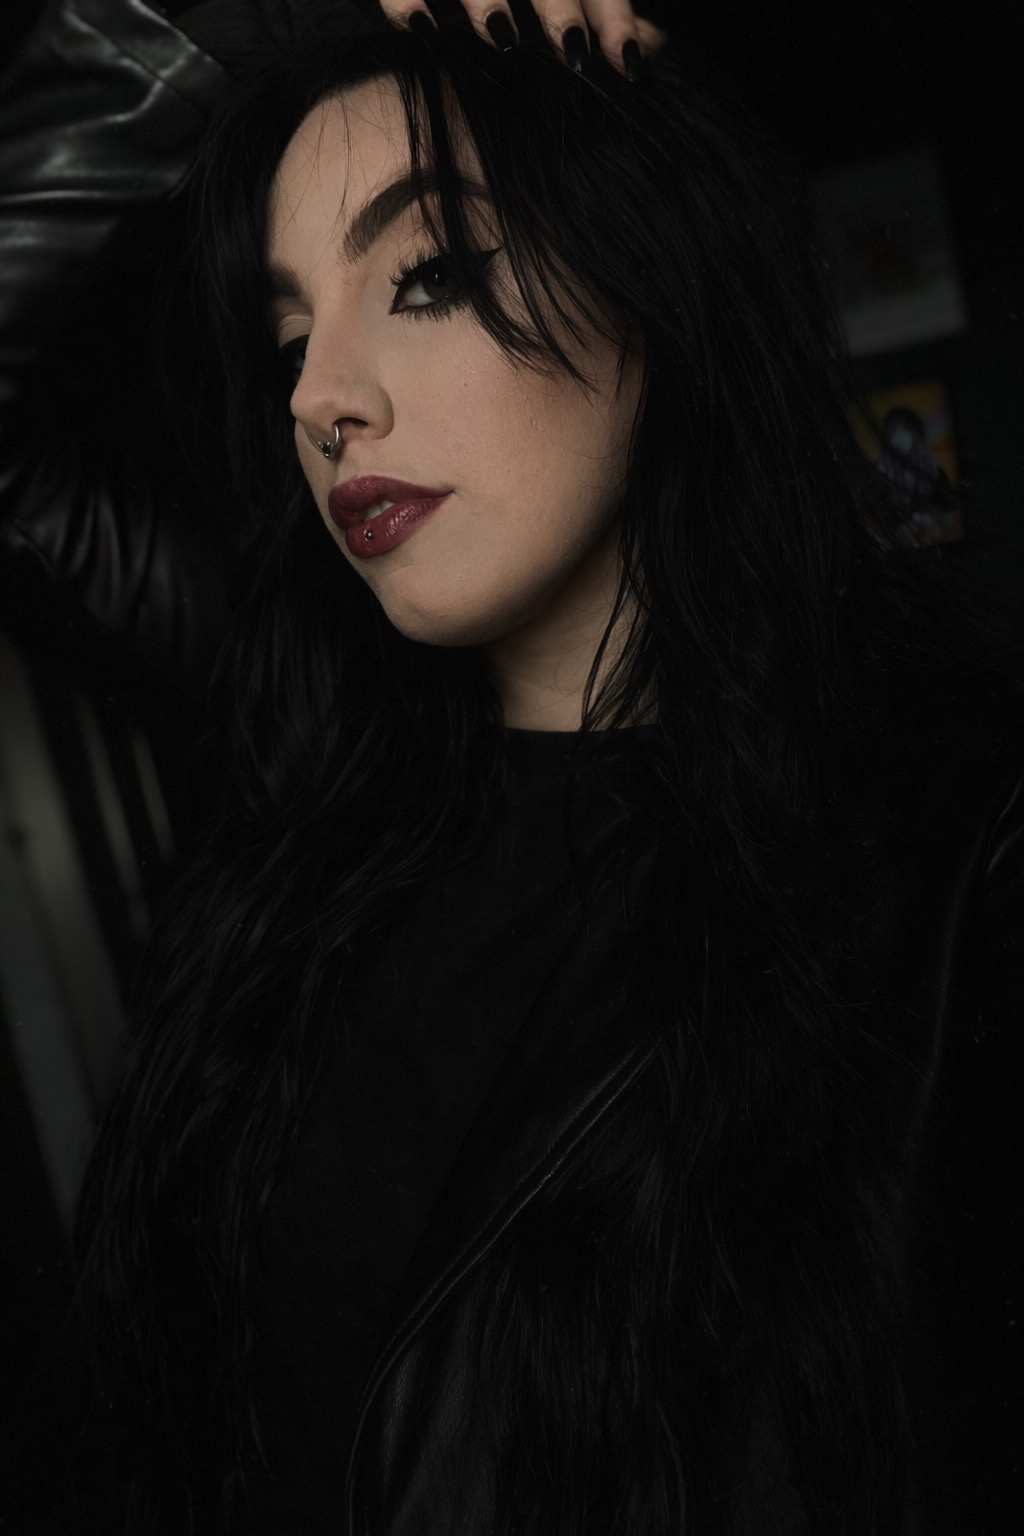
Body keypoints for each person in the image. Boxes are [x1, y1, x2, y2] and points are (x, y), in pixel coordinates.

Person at [0, 2, 1021, 1533]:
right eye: (290, 336)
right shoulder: (307, 741)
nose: (320, 397)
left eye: (429, 275)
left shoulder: (953, 873)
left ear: (651, 274)